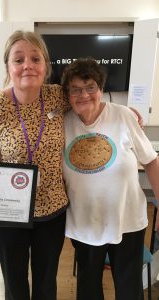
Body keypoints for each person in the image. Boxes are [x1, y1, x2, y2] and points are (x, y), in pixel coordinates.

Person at [0, 30, 69, 300]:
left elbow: (92, 103)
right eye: (19, 59)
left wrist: (127, 112)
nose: (27, 64)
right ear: (8, 67)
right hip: (8, 212)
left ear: (45, 65)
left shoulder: (58, 97)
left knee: (46, 284)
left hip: (52, 208)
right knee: (15, 286)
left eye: (35, 58)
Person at [61, 57, 159, 300]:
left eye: (90, 87)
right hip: (84, 223)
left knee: (128, 288)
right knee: (88, 288)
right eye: (76, 89)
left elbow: (151, 161)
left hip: (127, 220)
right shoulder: (61, 123)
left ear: (101, 89)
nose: (84, 94)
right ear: (68, 94)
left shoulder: (124, 116)